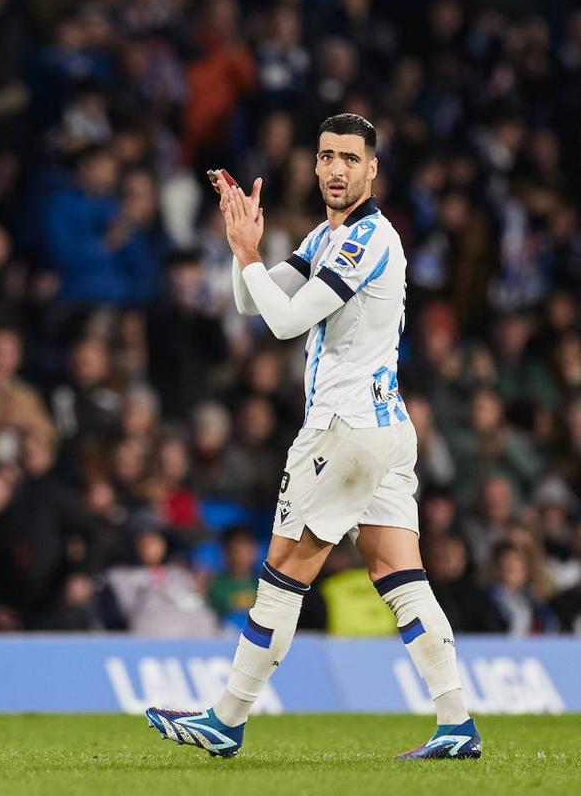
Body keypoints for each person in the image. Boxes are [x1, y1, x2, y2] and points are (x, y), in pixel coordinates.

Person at [146, 114, 480, 760]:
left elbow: (285, 322)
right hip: (383, 430)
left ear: (371, 169)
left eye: (349, 158)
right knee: (399, 572)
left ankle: (226, 718)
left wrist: (246, 256)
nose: (334, 168)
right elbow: (253, 303)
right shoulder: (325, 237)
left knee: (281, 575)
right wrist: (245, 245)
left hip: (344, 432)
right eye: (326, 156)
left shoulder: (365, 241)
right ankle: (457, 723)